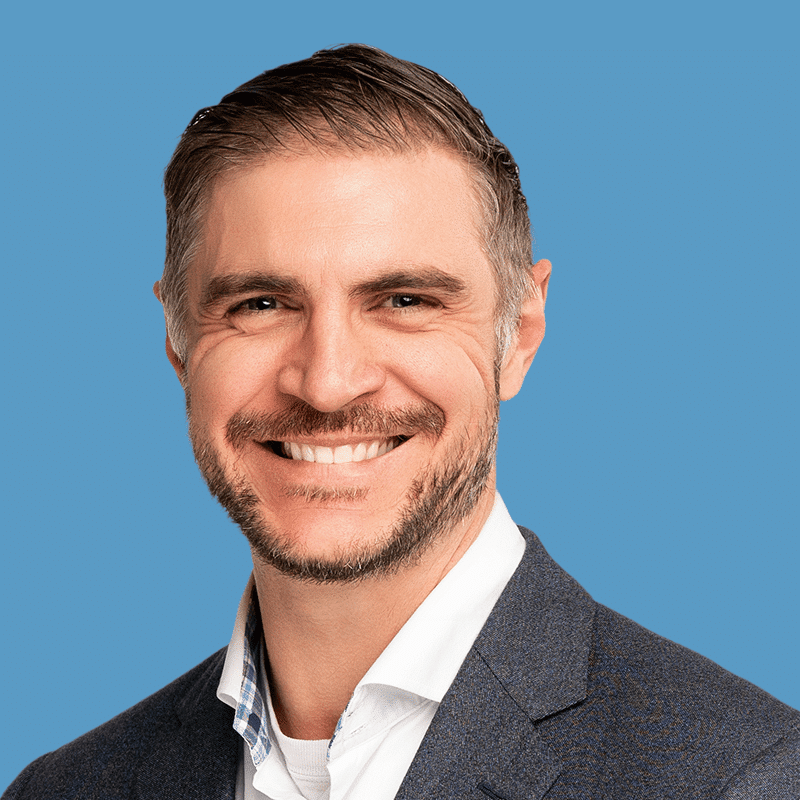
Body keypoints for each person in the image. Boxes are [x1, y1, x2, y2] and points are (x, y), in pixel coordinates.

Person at [4, 44, 798, 800]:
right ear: (177, 344)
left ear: (518, 334)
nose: (326, 381)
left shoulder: (743, 779)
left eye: (404, 301)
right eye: (261, 304)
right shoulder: (66, 787)